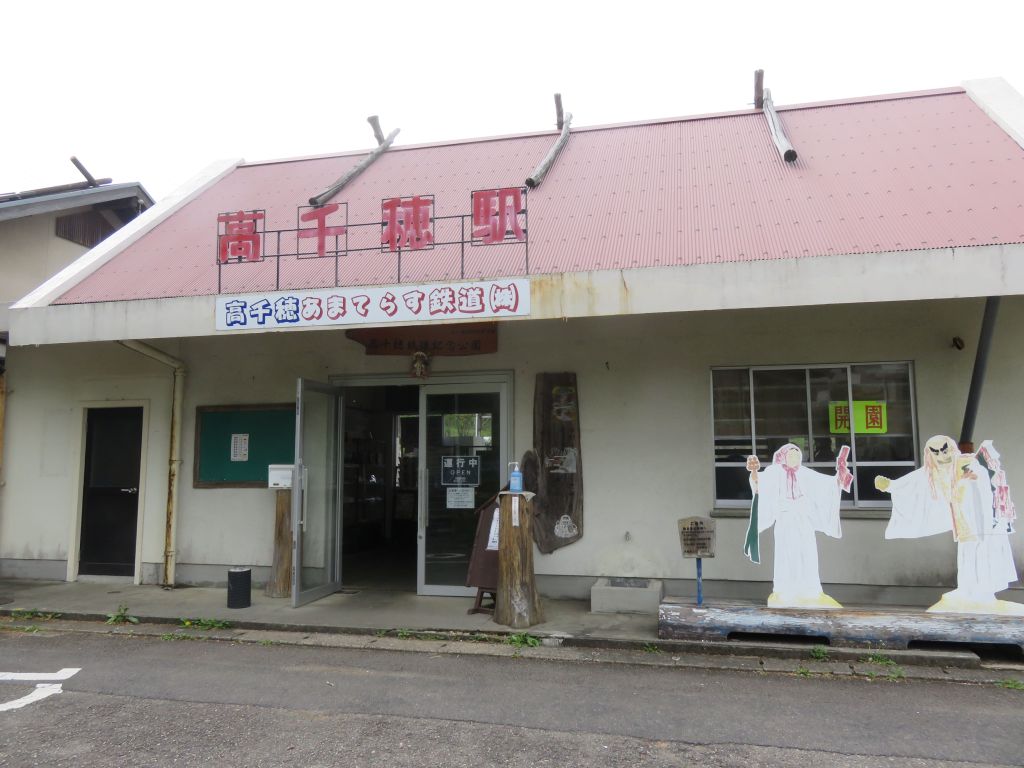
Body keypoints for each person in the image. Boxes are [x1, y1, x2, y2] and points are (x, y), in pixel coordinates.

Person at [875, 435, 1022, 614]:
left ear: (951, 448)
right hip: (963, 521)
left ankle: (982, 592)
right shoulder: (933, 471)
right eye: (935, 452)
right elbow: (915, 482)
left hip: (982, 520)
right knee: (966, 554)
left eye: (944, 450)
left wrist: (974, 478)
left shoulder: (966, 461)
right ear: (929, 455)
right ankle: (968, 590)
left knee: (982, 555)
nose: (941, 456)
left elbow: (986, 478)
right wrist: (891, 486)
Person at [744, 443, 844, 608]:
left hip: (804, 519)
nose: (794, 458)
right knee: (786, 553)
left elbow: (824, 484)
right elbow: (760, 485)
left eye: (797, 456)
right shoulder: (775, 472)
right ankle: (784, 590)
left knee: (808, 552)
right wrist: (754, 472)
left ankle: (811, 590)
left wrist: (838, 480)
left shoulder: (805, 473)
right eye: (791, 455)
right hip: (785, 519)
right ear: (783, 456)